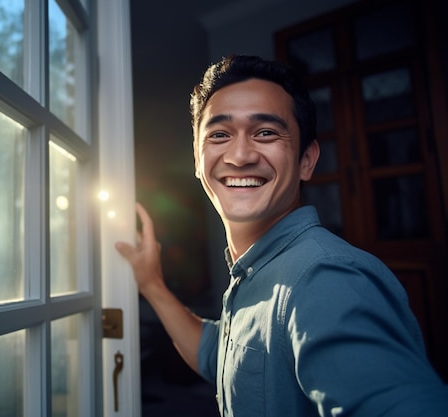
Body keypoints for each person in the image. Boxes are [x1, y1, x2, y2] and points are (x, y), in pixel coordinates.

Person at [115, 54, 448, 416]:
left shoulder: (326, 278)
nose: (240, 155)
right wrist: (151, 283)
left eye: (266, 132)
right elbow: (217, 356)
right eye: (220, 135)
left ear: (307, 159)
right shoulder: (257, 270)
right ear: (198, 159)